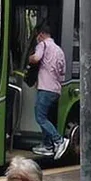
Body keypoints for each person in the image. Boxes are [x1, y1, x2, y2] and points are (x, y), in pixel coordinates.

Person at [29, 25, 69, 160]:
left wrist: (29, 58)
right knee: (45, 117)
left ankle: (59, 140)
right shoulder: (59, 50)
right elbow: (62, 73)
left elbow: (36, 58)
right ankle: (47, 146)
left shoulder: (43, 45)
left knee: (40, 117)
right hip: (56, 90)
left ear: (41, 34)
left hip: (45, 88)